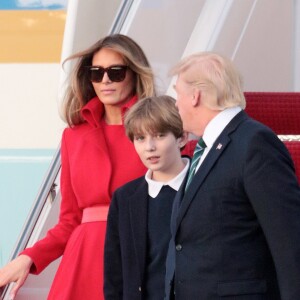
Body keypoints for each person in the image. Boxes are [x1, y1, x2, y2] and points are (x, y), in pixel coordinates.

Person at [0, 33, 157, 300]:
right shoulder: (73, 136)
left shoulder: (158, 132)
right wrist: (29, 257)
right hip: (83, 261)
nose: (105, 80)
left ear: (134, 74)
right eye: (96, 73)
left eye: (116, 72)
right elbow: (69, 221)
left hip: (142, 254)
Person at [164, 52, 300, 299]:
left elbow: (289, 240)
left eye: (178, 94)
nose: (176, 104)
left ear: (195, 96)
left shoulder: (255, 143)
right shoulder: (203, 149)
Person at [104, 95, 196, 300]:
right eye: (140, 138)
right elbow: (114, 274)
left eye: (160, 135)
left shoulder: (205, 185)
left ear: (182, 137)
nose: (149, 147)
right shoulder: (125, 198)